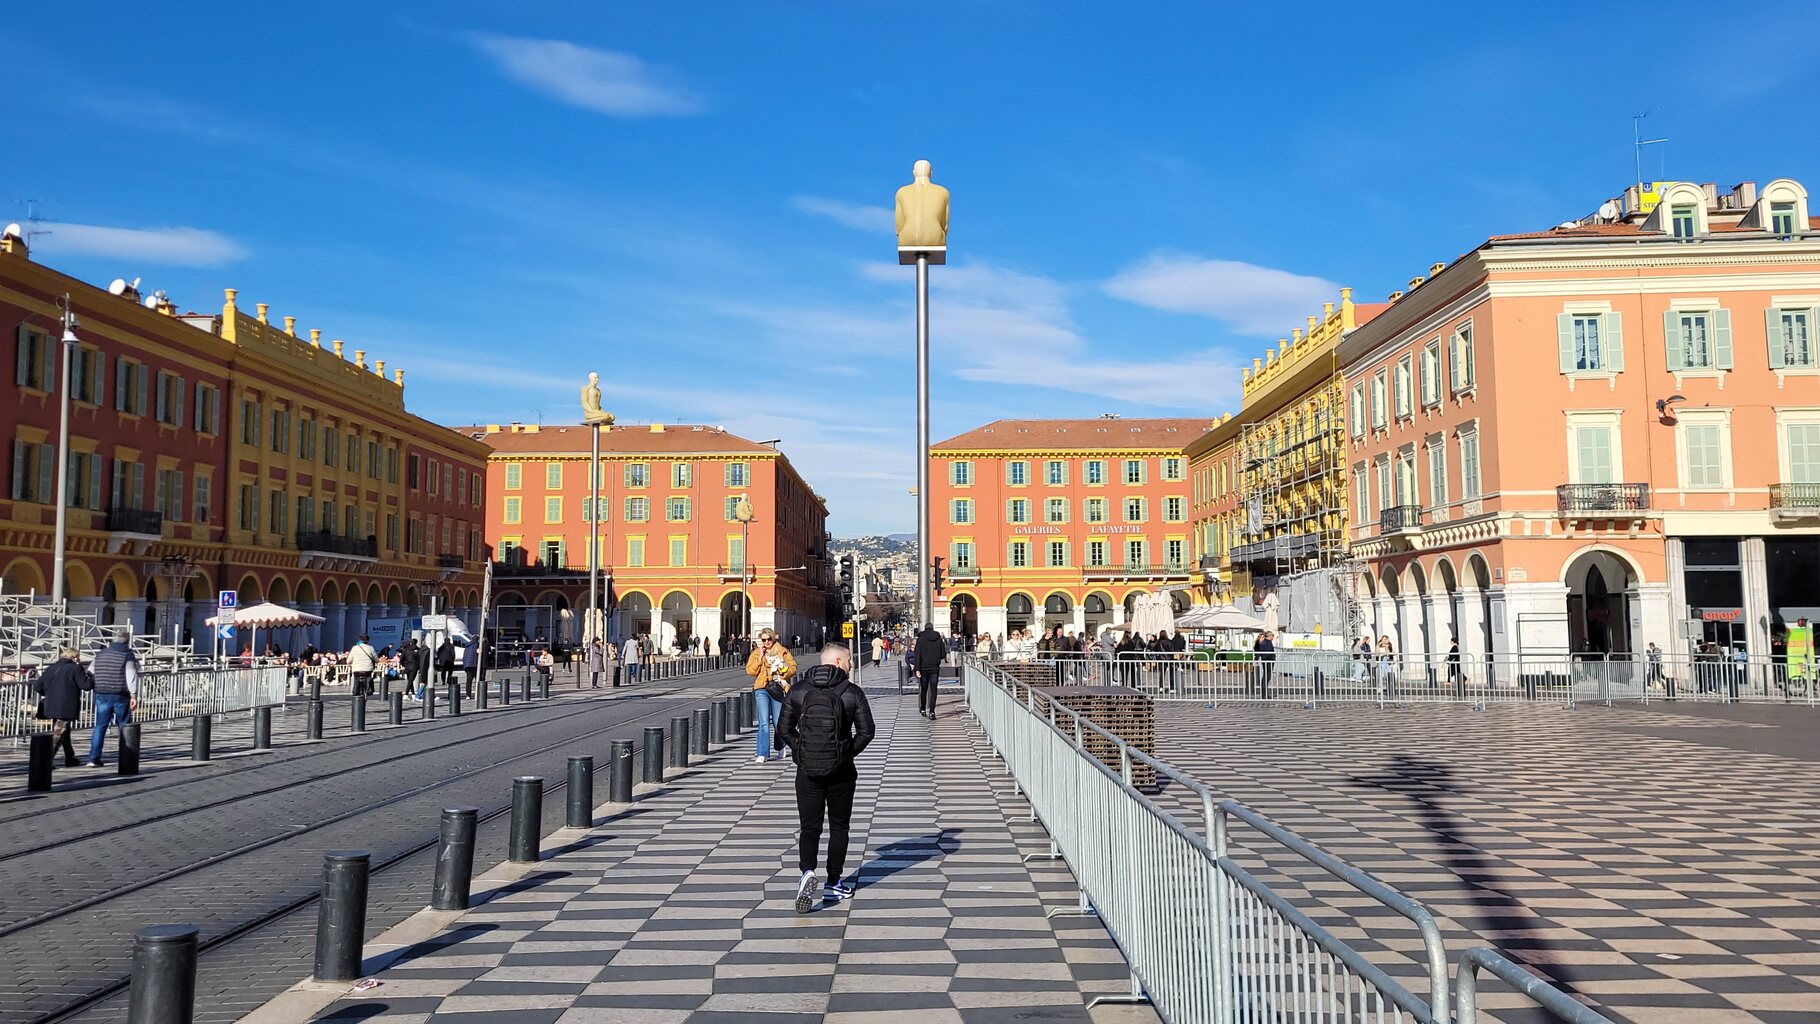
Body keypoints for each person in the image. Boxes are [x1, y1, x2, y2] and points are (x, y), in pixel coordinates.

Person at [778, 642, 876, 913]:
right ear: (835, 661)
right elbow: (867, 732)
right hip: (841, 772)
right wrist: (845, 753)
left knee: (810, 827)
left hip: (807, 770)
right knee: (839, 827)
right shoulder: (852, 692)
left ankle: (807, 872)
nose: (852, 665)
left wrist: (800, 751)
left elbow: (783, 728)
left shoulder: (798, 690)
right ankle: (834, 881)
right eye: (848, 660)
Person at [86, 627, 139, 768]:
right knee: (124, 725)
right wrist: (133, 694)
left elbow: (90, 672)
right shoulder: (127, 654)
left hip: (101, 692)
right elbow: (131, 675)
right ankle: (126, 755)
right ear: (127, 642)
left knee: (100, 725)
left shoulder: (101, 653)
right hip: (120, 693)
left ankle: (93, 757)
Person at [747, 627, 798, 764]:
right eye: (763, 640)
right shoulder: (757, 652)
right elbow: (750, 670)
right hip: (762, 688)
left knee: (778, 722)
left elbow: (793, 667)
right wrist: (760, 658)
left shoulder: (782, 651)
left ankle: (780, 746)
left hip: (778, 688)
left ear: (773, 638)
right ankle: (762, 753)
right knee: (763, 722)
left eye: (769, 639)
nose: (767, 642)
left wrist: (783, 670)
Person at [34, 647, 91, 767]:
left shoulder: (51, 668)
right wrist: (92, 676)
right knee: (59, 732)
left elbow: (37, 686)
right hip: (66, 705)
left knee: (64, 730)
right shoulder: (75, 668)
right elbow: (86, 685)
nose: (79, 660)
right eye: (78, 657)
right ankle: (46, 761)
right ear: (74, 657)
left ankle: (70, 757)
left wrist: (48, 694)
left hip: (52, 704)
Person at [913, 624, 947, 720]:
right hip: (935, 667)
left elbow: (917, 655)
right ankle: (932, 711)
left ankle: (923, 708)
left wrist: (917, 669)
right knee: (933, 690)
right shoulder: (939, 639)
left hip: (923, 668)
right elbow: (943, 654)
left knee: (924, 689)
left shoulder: (921, 640)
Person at [1253, 630, 1276, 697]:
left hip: (1267, 661)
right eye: (1272, 635)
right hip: (1268, 661)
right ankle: (1264, 694)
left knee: (1266, 677)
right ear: (1269, 636)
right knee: (1266, 677)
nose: (1273, 637)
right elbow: (1267, 652)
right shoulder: (1267, 643)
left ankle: (1265, 694)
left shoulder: (1265, 642)